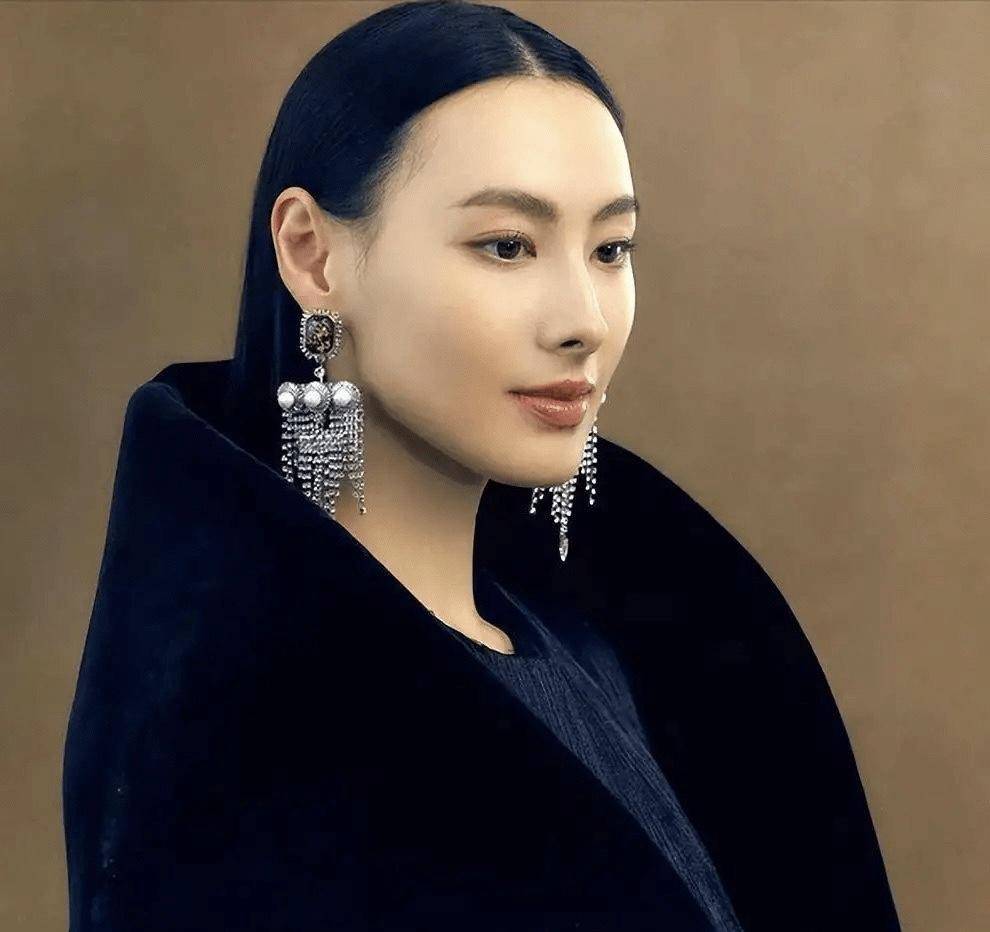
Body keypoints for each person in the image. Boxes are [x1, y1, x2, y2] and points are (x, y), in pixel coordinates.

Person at [62, 2, 902, 929]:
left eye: (611, 249)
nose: (583, 320)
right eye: (507, 245)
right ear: (313, 255)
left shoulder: (611, 649)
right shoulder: (246, 722)